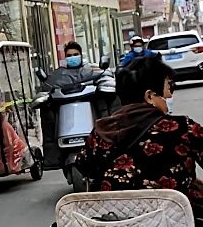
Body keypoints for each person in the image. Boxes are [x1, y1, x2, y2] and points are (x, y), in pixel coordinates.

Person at [76, 57, 203, 218]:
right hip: (176, 226)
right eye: (168, 88)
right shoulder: (183, 127)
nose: (170, 95)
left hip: (118, 226)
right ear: (149, 96)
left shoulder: (102, 131)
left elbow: (83, 165)